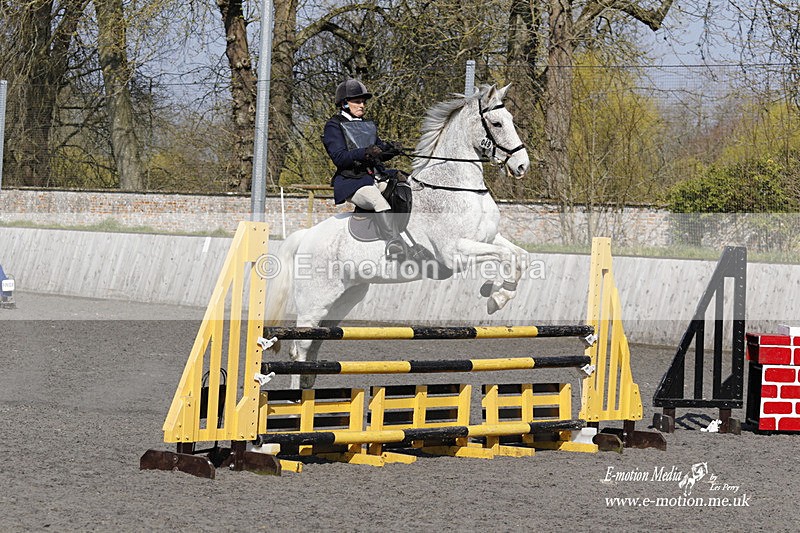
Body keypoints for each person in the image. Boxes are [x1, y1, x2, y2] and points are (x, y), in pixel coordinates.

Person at [323, 79, 406, 259]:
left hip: (374, 177)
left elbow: (378, 152)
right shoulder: (333, 126)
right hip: (352, 182)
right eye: (358, 102)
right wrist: (364, 152)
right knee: (377, 200)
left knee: (404, 186)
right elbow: (340, 158)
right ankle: (394, 243)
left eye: (363, 102)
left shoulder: (367, 125)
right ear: (345, 103)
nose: (362, 105)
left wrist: (391, 150)